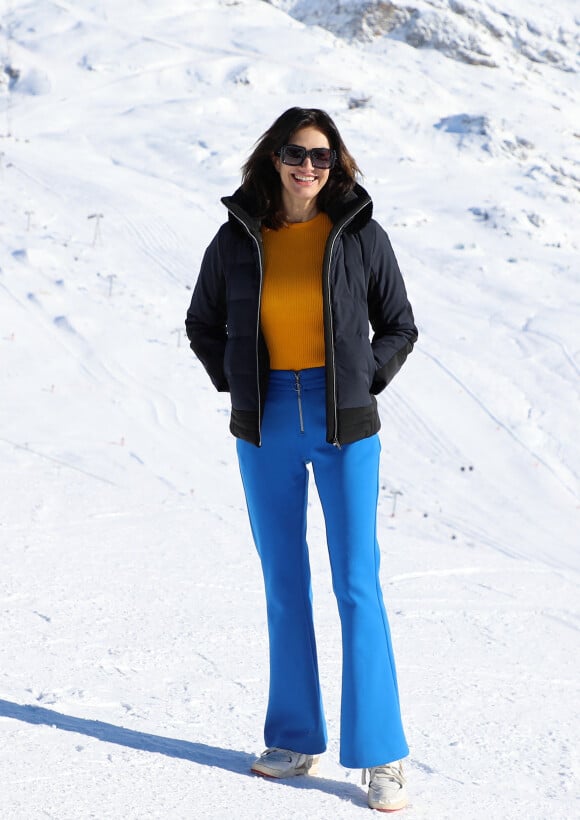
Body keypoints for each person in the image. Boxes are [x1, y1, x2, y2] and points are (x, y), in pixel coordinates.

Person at [185, 107, 418, 812]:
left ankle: (381, 757)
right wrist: (241, 381)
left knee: (357, 584)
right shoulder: (236, 240)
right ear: (274, 159)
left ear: (336, 163)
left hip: (345, 422)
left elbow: (399, 324)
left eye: (321, 155)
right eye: (296, 153)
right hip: (264, 425)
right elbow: (202, 324)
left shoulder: (360, 236)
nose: (308, 167)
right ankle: (293, 738)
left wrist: (360, 379)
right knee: (285, 582)